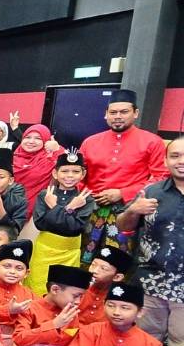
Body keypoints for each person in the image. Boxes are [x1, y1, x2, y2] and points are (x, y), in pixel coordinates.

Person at [116, 137, 184, 346]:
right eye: (176, 156)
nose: (181, 161)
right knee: (146, 338)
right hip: (152, 279)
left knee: (181, 341)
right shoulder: (151, 191)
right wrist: (133, 210)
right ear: (166, 161)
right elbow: (123, 225)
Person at [81, 89, 167, 263]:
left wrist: (123, 193)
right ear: (106, 114)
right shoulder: (90, 142)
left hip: (129, 211)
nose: (118, 116)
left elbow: (160, 177)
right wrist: (87, 195)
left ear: (135, 113)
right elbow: (78, 176)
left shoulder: (152, 141)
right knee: (84, 258)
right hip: (91, 210)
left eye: (124, 112)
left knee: (119, 263)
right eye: (113, 112)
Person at [24, 151, 94, 295]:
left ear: (83, 174)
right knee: (37, 287)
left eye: (75, 171)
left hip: (70, 253)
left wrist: (55, 208)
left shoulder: (85, 198)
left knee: (64, 291)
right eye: (64, 171)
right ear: (55, 173)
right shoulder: (46, 194)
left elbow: (75, 228)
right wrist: (70, 209)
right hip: (44, 250)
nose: (70, 175)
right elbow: (41, 224)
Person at [0, 240, 36, 337]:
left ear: (26, 273)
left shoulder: (29, 294)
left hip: (13, 340)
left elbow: (32, 318)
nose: (12, 272)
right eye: (7, 266)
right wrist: (8, 310)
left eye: (19, 268)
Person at [12, 124, 64, 222]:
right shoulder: (12, 157)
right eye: (27, 137)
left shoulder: (50, 160)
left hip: (35, 214)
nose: (31, 141)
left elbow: (72, 166)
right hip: (6, 209)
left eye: (38, 138)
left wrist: (58, 149)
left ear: (46, 141)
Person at [78, 246, 132, 326]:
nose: (94, 271)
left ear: (117, 277)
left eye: (103, 268)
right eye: (93, 265)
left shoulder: (120, 300)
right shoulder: (77, 288)